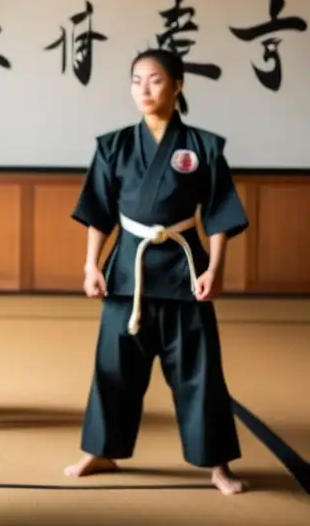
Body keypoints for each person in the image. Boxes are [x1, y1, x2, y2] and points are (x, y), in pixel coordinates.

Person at [64, 48, 248, 496]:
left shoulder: (202, 146)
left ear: (178, 85)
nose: (144, 90)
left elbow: (222, 212)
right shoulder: (114, 145)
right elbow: (98, 212)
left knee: (199, 372)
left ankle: (216, 464)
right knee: (113, 367)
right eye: (136, 80)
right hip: (129, 271)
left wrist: (216, 269)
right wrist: (91, 264)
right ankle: (101, 450)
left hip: (185, 269)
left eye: (156, 80)